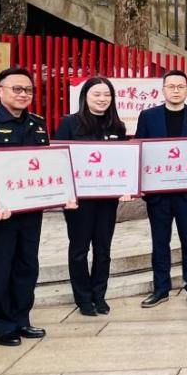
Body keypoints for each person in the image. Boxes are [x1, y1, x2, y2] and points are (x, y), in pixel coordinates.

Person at [0, 67, 56, 346]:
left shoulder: (37, 123)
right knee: (0, 265)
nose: (23, 94)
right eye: (17, 89)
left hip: (30, 208)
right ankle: (0, 325)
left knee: (27, 264)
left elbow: (45, 164)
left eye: (28, 90)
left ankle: (21, 319)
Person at [134, 70, 187, 309]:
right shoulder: (148, 117)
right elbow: (139, 151)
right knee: (160, 242)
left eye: (180, 86)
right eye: (171, 86)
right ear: (163, 89)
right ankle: (161, 289)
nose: (176, 90)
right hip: (158, 195)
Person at [54, 77, 130, 317]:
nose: (102, 99)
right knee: (79, 250)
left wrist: (127, 186)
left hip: (107, 200)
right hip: (78, 201)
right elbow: (59, 160)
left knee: (103, 249)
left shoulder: (117, 126)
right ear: (85, 96)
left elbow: (123, 162)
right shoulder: (70, 123)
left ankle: (99, 295)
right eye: (97, 94)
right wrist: (65, 194)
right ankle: (83, 298)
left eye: (107, 95)